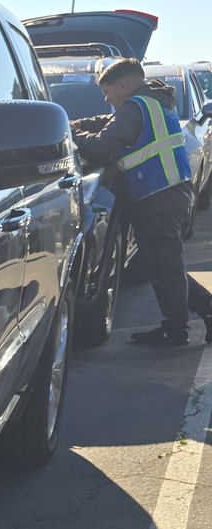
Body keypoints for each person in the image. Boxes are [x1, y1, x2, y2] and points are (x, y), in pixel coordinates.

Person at [69, 58, 211, 346]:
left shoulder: (136, 108)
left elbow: (102, 146)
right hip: (170, 195)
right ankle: (182, 322)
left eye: (108, 93)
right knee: (162, 266)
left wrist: (71, 134)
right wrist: (76, 123)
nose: (107, 100)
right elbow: (109, 123)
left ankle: (179, 328)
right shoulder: (152, 102)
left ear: (123, 86)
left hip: (158, 199)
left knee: (166, 267)